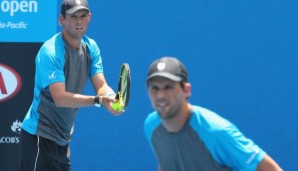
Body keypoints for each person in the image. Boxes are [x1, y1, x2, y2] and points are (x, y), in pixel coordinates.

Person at [19, 0, 123, 170]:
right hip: (39, 138)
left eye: (83, 16)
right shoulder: (51, 52)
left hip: (62, 141)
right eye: (73, 16)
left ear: (89, 17)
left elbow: (101, 85)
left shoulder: (91, 48)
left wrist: (110, 98)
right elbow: (60, 98)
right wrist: (98, 100)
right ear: (62, 20)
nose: (79, 21)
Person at [144, 57, 283, 171]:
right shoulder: (151, 127)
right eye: (154, 88)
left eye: (168, 87)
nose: (160, 95)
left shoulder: (215, 131)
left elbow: (270, 169)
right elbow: (167, 162)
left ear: (186, 90)